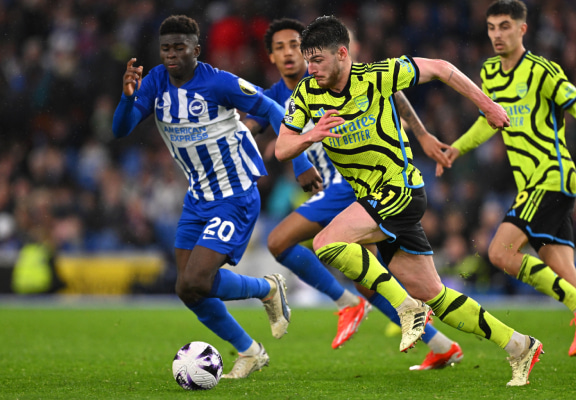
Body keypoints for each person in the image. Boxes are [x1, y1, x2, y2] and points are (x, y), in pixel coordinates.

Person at [275, 15, 542, 387]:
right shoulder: (307, 93)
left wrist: (489, 105)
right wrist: (311, 135)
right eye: (308, 61)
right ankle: (519, 345)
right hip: (374, 198)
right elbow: (282, 148)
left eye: (318, 60)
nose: (311, 68)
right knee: (435, 294)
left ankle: (407, 309)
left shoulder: (376, 76)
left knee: (326, 242)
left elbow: (442, 68)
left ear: (342, 54)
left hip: (400, 189)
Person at [246, 17, 464, 369]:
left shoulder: (332, 75)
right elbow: (249, 127)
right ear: (270, 57)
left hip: (350, 182)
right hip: (338, 185)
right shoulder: (277, 96)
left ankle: (346, 302)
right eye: (279, 48)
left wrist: (422, 134)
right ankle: (440, 344)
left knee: (280, 241)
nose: (289, 54)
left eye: (294, 46)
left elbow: (392, 90)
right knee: (370, 279)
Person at [111, 15, 302, 380]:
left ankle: (267, 288)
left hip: (235, 194)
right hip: (198, 197)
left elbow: (272, 108)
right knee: (187, 290)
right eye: (166, 48)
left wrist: (300, 159)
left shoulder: (219, 82)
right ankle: (250, 351)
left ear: (196, 50)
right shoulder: (155, 82)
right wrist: (127, 98)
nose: (171, 55)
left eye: (179, 48)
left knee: (197, 280)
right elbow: (121, 129)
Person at [435, 0, 576, 358]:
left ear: (522, 29)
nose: (497, 34)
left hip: (551, 177)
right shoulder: (490, 72)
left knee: (499, 252)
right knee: (570, 278)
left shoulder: (542, 70)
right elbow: (490, 120)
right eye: (492, 27)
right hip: (532, 185)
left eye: (505, 26)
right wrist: (457, 148)